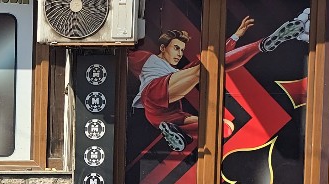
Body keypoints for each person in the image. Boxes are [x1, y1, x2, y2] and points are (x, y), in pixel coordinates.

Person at [129, 9, 309, 151]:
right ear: (162, 47)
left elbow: (216, 58)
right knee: (204, 69)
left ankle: (176, 134)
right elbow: (124, 56)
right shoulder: (148, 59)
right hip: (153, 95)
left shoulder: (178, 72)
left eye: (182, 50)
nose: (179, 54)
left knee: (224, 127)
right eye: (176, 48)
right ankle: (263, 45)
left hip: (165, 116)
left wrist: (236, 35)